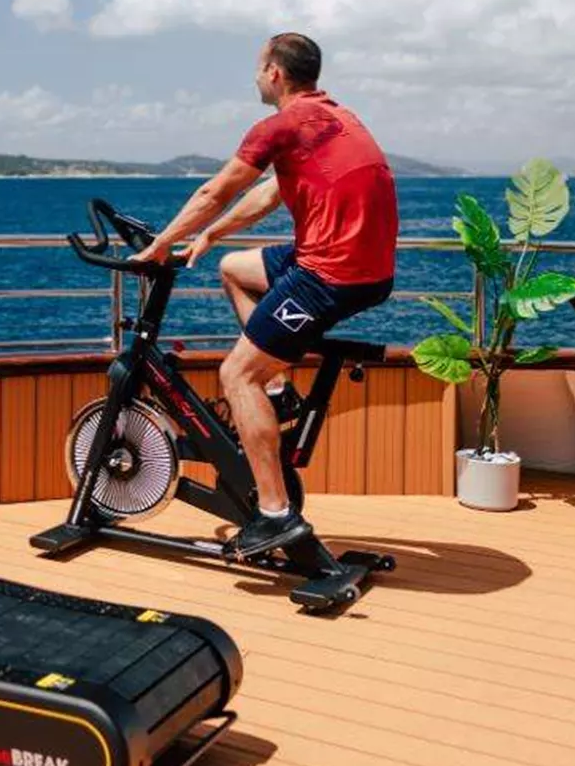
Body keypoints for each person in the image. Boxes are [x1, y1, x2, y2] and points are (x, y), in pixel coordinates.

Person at [129, 32, 397, 560]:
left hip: (330, 272)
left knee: (236, 375)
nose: (256, 77)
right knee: (234, 270)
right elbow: (271, 192)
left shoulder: (279, 125)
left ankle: (275, 513)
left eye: (258, 68)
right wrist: (213, 235)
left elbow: (216, 189)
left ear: (275, 72)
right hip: (359, 264)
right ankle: (277, 390)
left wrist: (160, 245)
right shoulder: (334, 118)